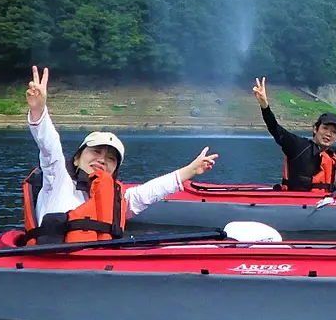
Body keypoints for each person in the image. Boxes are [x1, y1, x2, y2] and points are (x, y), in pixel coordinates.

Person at [19, 66, 218, 245]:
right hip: (52, 265)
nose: (102, 160)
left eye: (111, 159)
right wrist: (38, 110)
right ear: (77, 158)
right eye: (96, 151)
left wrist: (191, 170)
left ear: (115, 169)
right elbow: (49, 146)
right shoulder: (57, 179)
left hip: (96, 270)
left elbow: (150, 192)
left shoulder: (118, 198)